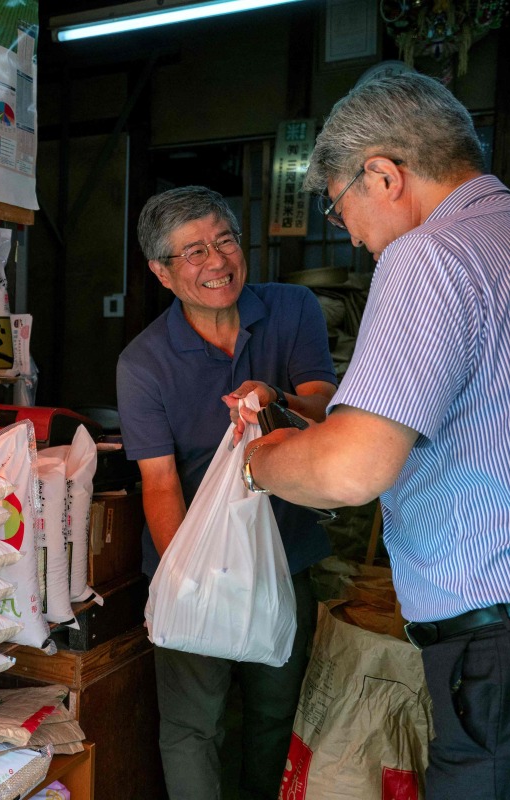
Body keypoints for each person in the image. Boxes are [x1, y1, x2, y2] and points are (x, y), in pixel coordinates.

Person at [242, 72, 510, 798]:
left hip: (503, 652)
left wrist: (258, 459)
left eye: (341, 210)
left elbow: (350, 471)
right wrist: (307, 420)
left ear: (383, 175)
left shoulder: (430, 256)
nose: (355, 237)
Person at [116, 186, 337, 799]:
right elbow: (159, 481)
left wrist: (276, 399)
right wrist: (195, 577)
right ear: (162, 272)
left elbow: (324, 411)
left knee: (273, 714)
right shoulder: (144, 364)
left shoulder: (292, 310)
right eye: (192, 252)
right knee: (194, 725)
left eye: (225, 240)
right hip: (191, 562)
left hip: (284, 557)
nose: (217, 262)